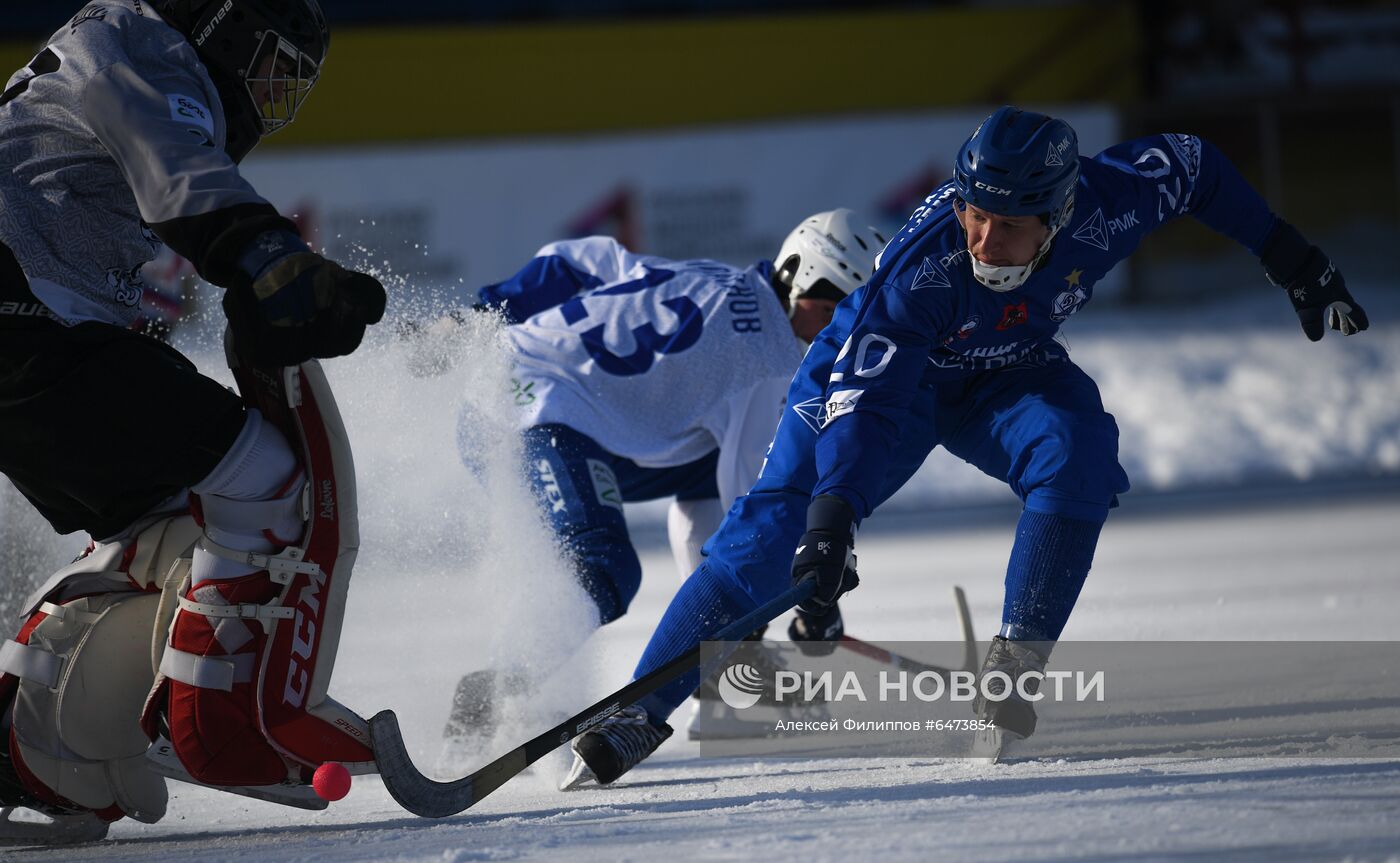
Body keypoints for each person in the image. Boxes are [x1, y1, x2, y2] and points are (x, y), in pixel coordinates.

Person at [562, 105, 1370, 787]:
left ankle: (1013, 671)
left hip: (1005, 371)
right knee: (774, 536)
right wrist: (831, 521)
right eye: (972, 216)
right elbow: (865, 408)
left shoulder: (1118, 197)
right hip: (877, 385)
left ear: (1059, 217)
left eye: (1007, 226)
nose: (982, 241)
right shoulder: (921, 269)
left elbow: (1199, 167)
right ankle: (636, 710)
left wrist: (1293, 259)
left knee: (1078, 449)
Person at [0, 0, 384, 841]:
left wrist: (268, 265)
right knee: (274, 489)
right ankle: (222, 724)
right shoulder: (138, 44)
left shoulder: (113, 41)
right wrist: (268, 253)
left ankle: (32, 750)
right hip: (24, 322)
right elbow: (180, 173)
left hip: (33, 327)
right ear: (225, 28)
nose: (272, 101)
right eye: (275, 71)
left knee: (168, 522)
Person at [435, 211, 886, 747]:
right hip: (526, 413)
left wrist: (485, 310)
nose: (840, 329)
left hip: (543, 402)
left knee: (704, 466)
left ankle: (723, 671)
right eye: (835, 307)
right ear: (796, 276)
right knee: (604, 564)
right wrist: (814, 602)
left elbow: (582, 261)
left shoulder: (716, 275)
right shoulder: (768, 363)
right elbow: (764, 513)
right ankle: (489, 699)